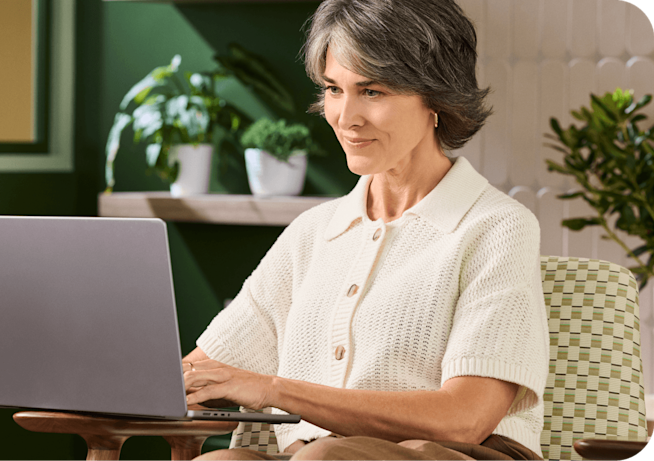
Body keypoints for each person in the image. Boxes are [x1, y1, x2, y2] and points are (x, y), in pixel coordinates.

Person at [183, 0, 549, 459]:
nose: (345, 117)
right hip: (317, 454)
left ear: (437, 96)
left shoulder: (495, 227)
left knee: (324, 457)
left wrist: (274, 389)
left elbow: (465, 418)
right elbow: (208, 369)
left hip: (459, 454)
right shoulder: (315, 231)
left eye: (372, 91)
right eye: (334, 89)